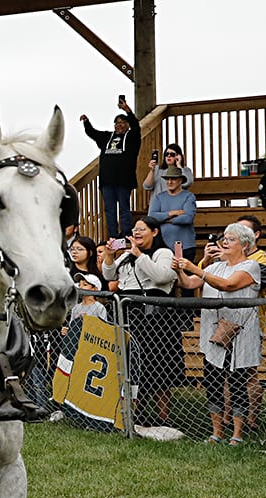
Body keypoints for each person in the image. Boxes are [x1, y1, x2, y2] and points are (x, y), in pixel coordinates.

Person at [173, 222, 261, 445]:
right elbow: (190, 283)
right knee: (212, 382)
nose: (224, 242)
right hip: (213, 334)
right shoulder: (213, 267)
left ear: (244, 244)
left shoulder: (251, 267)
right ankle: (216, 432)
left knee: (238, 382)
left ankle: (237, 434)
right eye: (224, 238)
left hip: (239, 335)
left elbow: (228, 285)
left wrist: (195, 268)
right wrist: (180, 271)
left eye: (231, 239)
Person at [100, 216, 179, 424]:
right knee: (132, 366)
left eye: (142, 229)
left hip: (154, 316)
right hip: (129, 313)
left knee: (158, 366)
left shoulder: (163, 253)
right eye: (134, 229)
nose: (136, 232)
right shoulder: (126, 255)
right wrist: (109, 256)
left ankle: (164, 420)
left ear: (155, 232)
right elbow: (109, 276)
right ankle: (136, 414)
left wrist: (139, 254)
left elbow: (161, 277)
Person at [82, 97, 141, 238]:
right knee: (110, 210)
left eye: (122, 122)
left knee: (124, 209)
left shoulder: (132, 137)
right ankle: (113, 235)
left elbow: (136, 126)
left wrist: (127, 111)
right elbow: (93, 133)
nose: (119, 125)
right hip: (107, 181)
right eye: (117, 123)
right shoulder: (107, 137)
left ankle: (126, 234)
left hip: (124, 181)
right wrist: (86, 122)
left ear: (127, 124)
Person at [147, 165, 197, 264]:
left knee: (185, 277)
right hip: (162, 246)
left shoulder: (188, 196)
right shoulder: (159, 197)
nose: (169, 182)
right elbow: (152, 216)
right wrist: (172, 213)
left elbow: (188, 218)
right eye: (167, 179)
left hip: (185, 246)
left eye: (173, 179)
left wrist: (167, 219)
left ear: (180, 181)